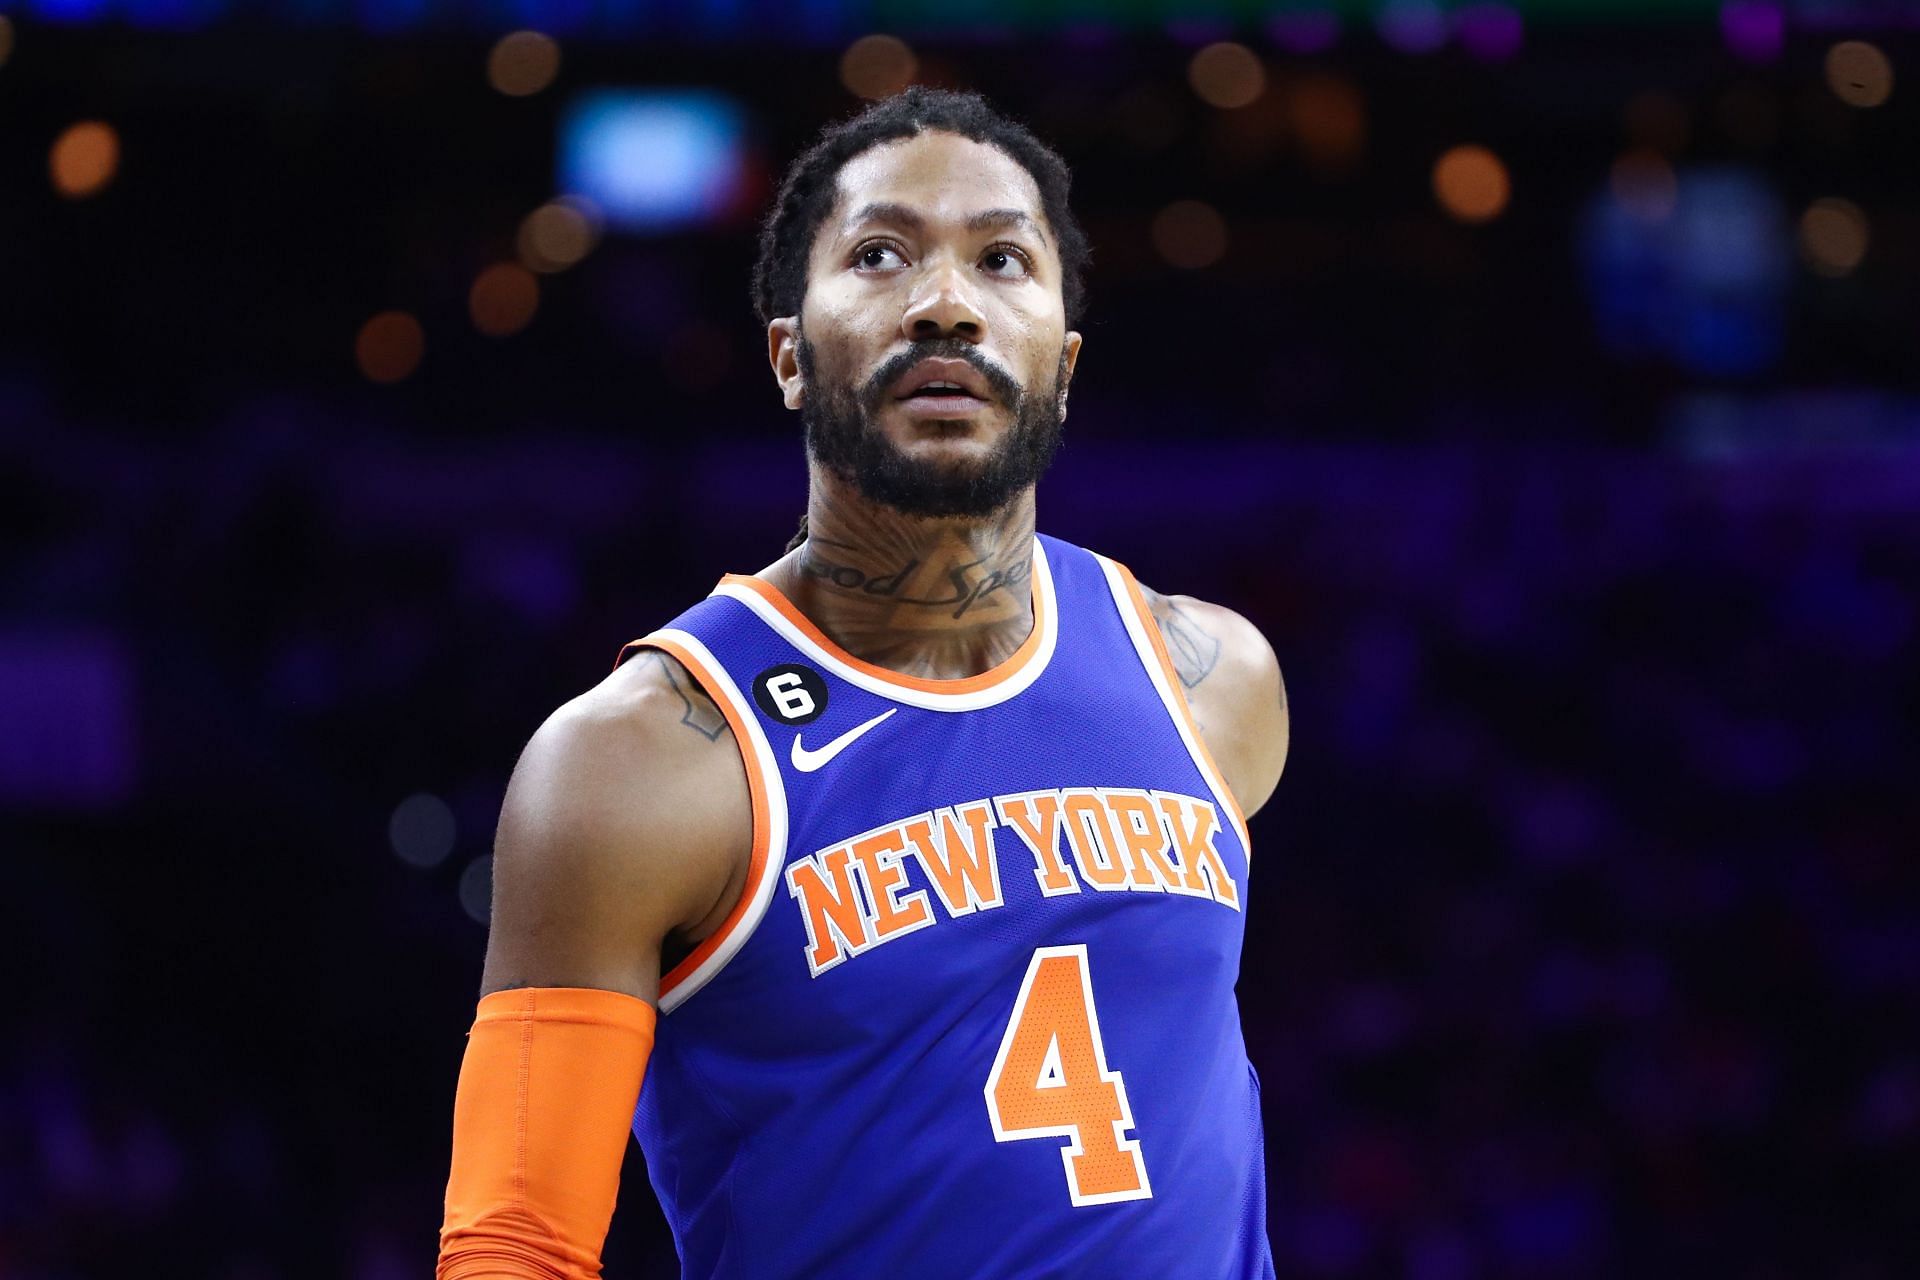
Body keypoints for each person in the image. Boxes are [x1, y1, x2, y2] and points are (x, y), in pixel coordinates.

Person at [438, 85, 1290, 1279]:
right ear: (789, 352)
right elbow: (515, 1245)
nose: (947, 304)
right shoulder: (638, 762)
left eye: (1003, 259)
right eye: (882, 255)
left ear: (1065, 360)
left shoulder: (1216, 681)